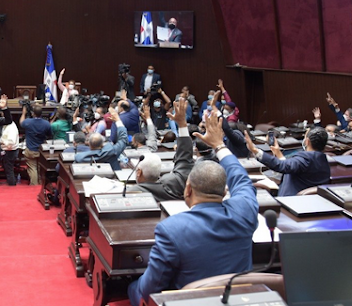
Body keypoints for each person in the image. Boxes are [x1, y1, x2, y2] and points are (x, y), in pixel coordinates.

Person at [128, 108, 258, 306]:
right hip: (236, 300)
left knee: (133, 287)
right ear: (224, 192)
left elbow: (150, 290)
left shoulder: (171, 229)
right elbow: (241, 178)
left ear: (187, 190)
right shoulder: (244, 212)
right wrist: (219, 146)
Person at [137, 99, 195, 201]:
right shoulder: (174, 182)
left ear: (139, 172)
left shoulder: (132, 191)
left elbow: (184, 162)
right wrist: (182, 124)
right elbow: (185, 162)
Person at [245, 127, 330, 196]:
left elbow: (282, 166)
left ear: (307, 141)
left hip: (290, 202)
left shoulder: (305, 158)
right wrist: (278, 153)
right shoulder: (322, 159)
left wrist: (255, 150)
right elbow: (293, 167)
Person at [20, 104, 53, 185]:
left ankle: (34, 186)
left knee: (32, 169)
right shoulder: (46, 124)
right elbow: (50, 135)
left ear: (33, 113)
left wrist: (23, 113)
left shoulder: (28, 122)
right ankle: (41, 185)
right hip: (41, 151)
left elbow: (21, 123)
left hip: (31, 150)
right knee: (40, 168)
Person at [0, 119, 20, 186]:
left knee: (9, 169)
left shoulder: (11, 128)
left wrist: (2, 142)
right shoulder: (7, 126)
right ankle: (11, 182)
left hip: (10, 151)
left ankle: (12, 184)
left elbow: (11, 142)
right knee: (8, 168)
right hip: (9, 150)